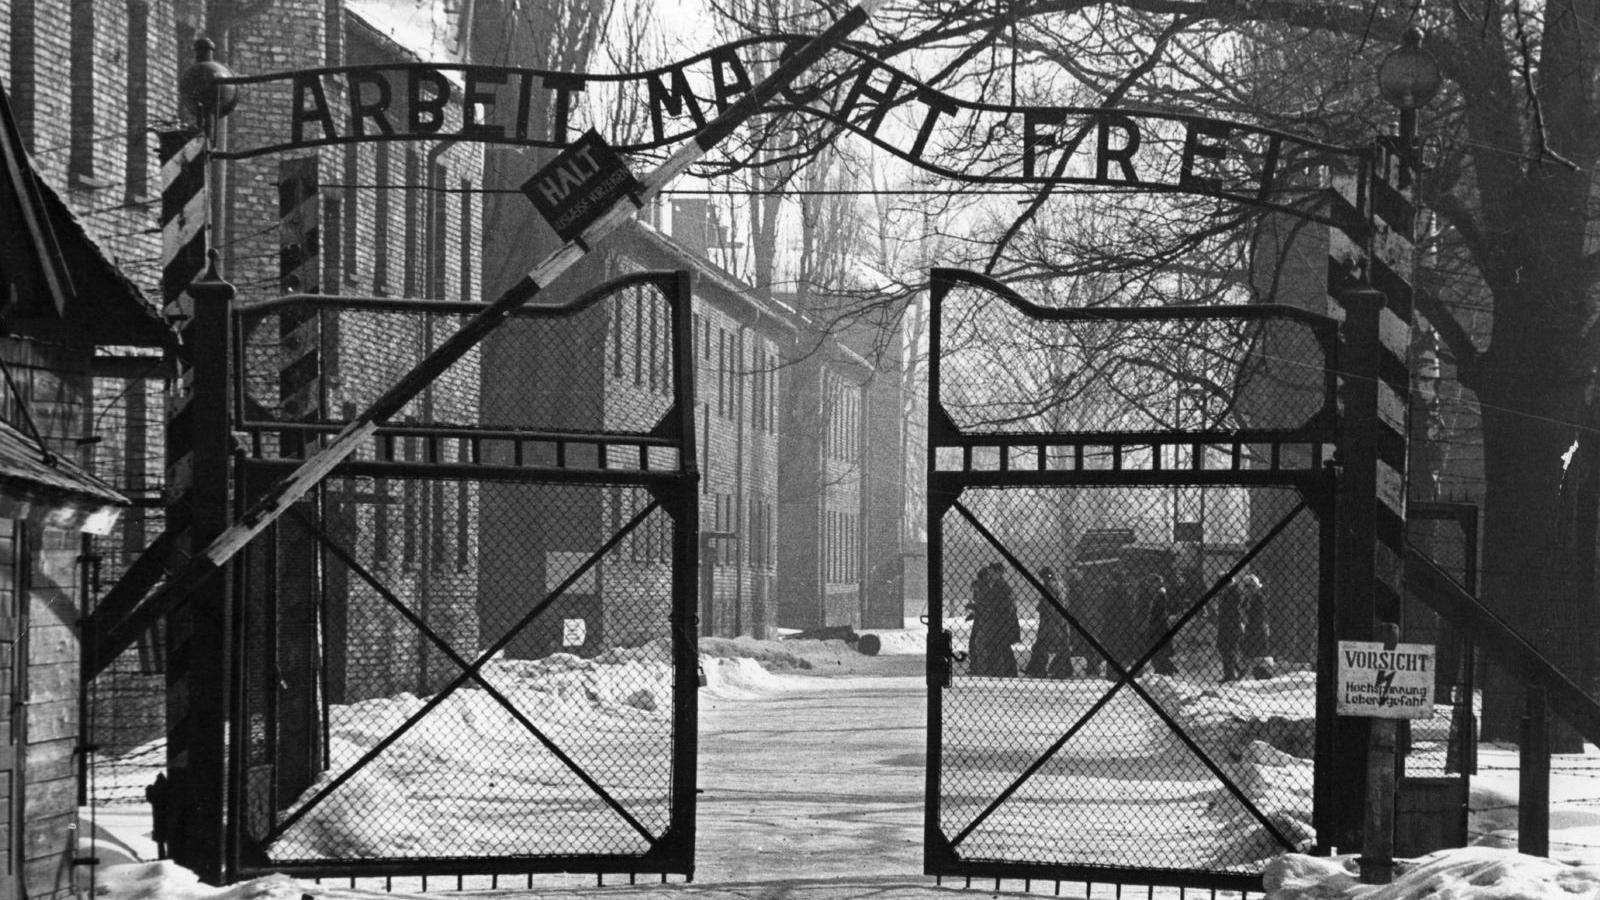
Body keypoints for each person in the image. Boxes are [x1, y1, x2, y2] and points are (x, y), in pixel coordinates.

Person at [970, 562, 1020, 677]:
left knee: (996, 647)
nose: (990, 573)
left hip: (999, 622)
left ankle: (997, 672)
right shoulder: (998, 585)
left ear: (998, 572)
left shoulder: (1000, 587)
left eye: (992, 571)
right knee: (1002, 647)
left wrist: (980, 608)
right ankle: (1006, 673)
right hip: (999, 622)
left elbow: (998, 606)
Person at [1024, 567, 1075, 678]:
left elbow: (1049, 606)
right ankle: (1062, 670)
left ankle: (1040, 670)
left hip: (1051, 622)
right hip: (1058, 621)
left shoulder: (1051, 587)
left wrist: (1042, 609)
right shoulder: (1060, 586)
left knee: (1044, 645)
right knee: (1060, 645)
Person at [1142, 574, 1177, 676]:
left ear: (1157, 583)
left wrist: (1153, 626)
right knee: (1158, 652)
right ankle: (1167, 670)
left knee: (1158, 652)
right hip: (1158, 627)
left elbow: (1160, 613)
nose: (1150, 586)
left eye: (1151, 583)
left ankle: (1167, 670)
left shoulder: (1160, 595)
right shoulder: (1158, 594)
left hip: (1159, 628)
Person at [1239, 573, 1273, 678]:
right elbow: (1242, 610)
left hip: (1258, 629)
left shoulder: (1259, 598)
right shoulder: (1247, 600)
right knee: (1249, 654)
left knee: (1259, 655)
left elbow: (1259, 616)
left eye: (1249, 588)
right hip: (1250, 629)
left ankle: (1263, 675)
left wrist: (1246, 616)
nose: (1247, 591)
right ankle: (1250, 673)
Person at [1214, 572, 1247, 681]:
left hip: (1231, 624)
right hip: (1225, 624)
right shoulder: (1227, 591)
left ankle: (1233, 672)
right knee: (1223, 647)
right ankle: (1233, 671)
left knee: (1229, 648)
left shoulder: (1234, 591)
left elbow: (1234, 610)